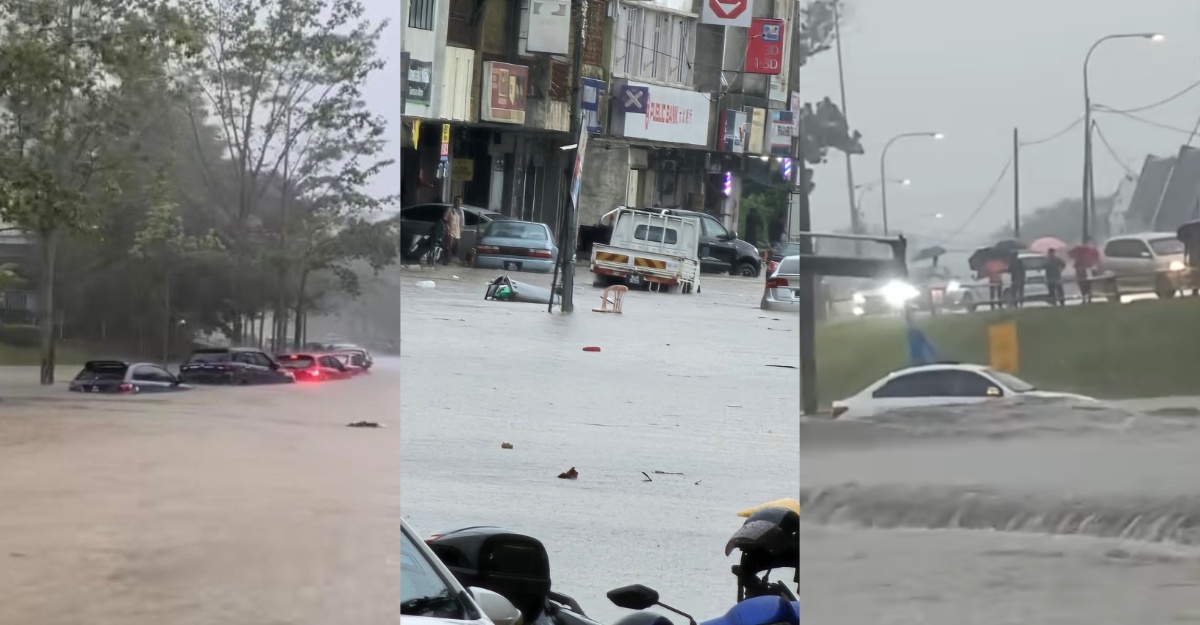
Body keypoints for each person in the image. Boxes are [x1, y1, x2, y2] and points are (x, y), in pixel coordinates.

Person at [443, 197, 464, 266]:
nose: (459, 203)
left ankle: (452, 261)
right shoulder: (449, 210)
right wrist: (447, 227)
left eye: (460, 202)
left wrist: (461, 231)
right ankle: (446, 261)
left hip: (457, 233)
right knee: (448, 247)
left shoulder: (461, 211)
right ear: (454, 202)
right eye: (457, 201)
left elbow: (462, 223)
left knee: (455, 248)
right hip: (450, 232)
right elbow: (445, 219)